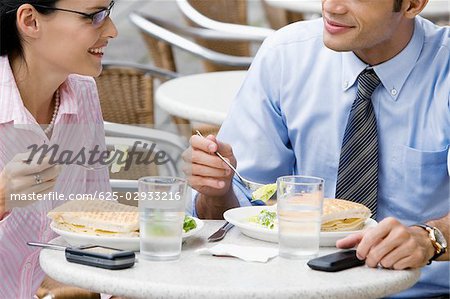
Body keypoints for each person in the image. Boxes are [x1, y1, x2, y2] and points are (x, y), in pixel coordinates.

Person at [183, 0, 449, 297]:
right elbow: (236, 215)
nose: (331, 7)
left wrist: (431, 238)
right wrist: (218, 191)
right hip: (297, 287)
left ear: (412, 4)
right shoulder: (287, 55)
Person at [0, 0, 117, 297]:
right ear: (30, 21)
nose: (112, 30)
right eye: (94, 16)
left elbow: (95, 224)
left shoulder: (83, 91)